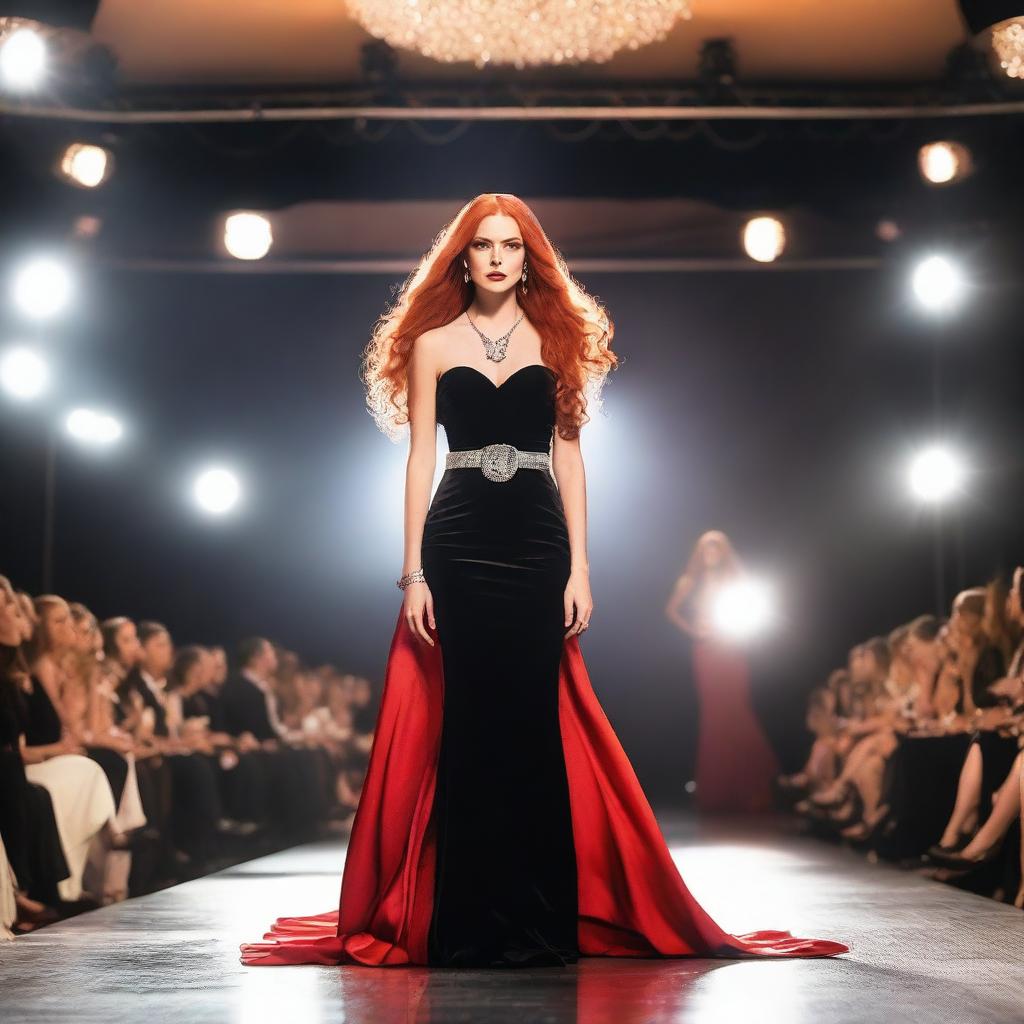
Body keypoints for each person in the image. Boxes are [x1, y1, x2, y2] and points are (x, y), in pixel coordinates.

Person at [239, 193, 849, 968]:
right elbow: (421, 459)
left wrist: (581, 568)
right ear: (462, 257)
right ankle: (465, 922)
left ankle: (538, 919)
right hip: (458, 539)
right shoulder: (431, 342)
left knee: (531, 727)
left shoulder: (555, 337)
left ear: (530, 258)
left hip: (535, 542)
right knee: (466, 726)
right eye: (485, 245)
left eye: (512, 246)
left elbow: (570, 457)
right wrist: (414, 570)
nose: (498, 257)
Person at [665, 529, 781, 813]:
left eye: (716, 548)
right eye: (706, 548)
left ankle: (749, 786)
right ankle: (718, 789)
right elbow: (671, 610)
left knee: (737, 708)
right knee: (714, 713)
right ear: (700, 553)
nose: (711, 553)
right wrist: (695, 631)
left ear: (724, 551)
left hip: (730, 647)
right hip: (706, 651)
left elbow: (752, 606)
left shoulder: (734, 580)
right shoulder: (690, 581)